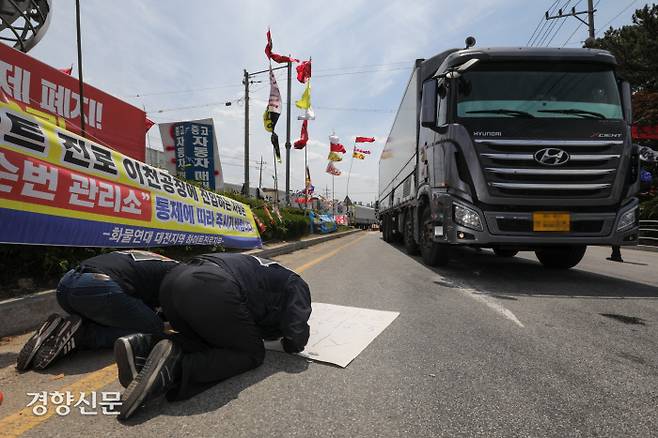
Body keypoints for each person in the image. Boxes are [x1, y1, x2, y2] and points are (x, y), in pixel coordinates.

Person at [115, 253, 312, 420]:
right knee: (250, 353)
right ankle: (175, 370)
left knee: (210, 340)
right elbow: (296, 334)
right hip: (210, 285)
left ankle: (143, 346)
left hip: (172, 284)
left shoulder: (261, 268)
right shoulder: (296, 282)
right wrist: (291, 341)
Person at [16, 250, 179, 371]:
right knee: (154, 327)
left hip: (66, 286)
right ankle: (83, 336)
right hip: (99, 287)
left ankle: (58, 329)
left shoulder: (156, 260)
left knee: (134, 313)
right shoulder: (181, 274)